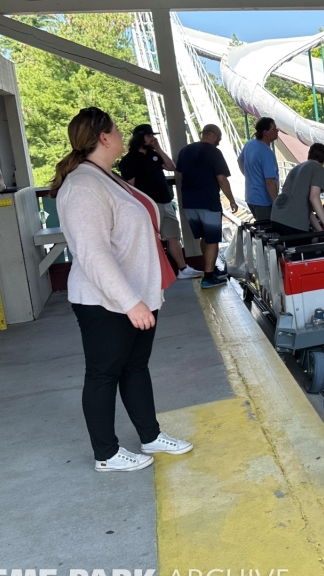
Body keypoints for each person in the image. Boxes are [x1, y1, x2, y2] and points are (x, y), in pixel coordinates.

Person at [51, 107, 192, 473]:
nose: (120, 132)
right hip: (106, 301)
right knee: (103, 374)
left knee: (135, 367)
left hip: (134, 295)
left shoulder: (105, 177)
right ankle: (107, 454)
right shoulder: (83, 185)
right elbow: (92, 253)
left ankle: (150, 435)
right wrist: (131, 303)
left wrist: (141, 297)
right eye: (115, 128)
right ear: (103, 137)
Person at [118, 124, 201, 280]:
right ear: (139, 138)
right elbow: (130, 187)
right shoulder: (129, 160)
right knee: (151, 238)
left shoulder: (153, 155)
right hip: (149, 204)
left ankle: (182, 269)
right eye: (149, 136)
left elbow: (171, 166)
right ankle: (153, 272)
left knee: (173, 236)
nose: (152, 138)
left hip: (165, 200)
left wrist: (158, 149)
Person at [176, 124, 238, 290]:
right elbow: (221, 179)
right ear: (215, 136)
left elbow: (180, 175)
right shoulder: (214, 152)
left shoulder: (185, 151)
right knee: (212, 239)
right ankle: (209, 277)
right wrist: (231, 200)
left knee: (204, 237)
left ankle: (210, 269)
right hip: (208, 201)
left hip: (189, 202)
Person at [271, 143, 324, 238]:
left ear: (309, 154)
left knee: (310, 241)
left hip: (276, 217)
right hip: (292, 222)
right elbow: (314, 197)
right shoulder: (319, 169)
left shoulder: (296, 168)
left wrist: (322, 233)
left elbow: (307, 210)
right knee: (308, 247)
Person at [239, 117, 279, 222]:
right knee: (267, 232)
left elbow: (240, 161)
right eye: (274, 129)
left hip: (250, 197)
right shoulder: (267, 153)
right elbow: (270, 181)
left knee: (260, 230)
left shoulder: (249, 144)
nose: (277, 131)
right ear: (266, 132)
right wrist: (276, 204)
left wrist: (250, 176)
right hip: (264, 201)